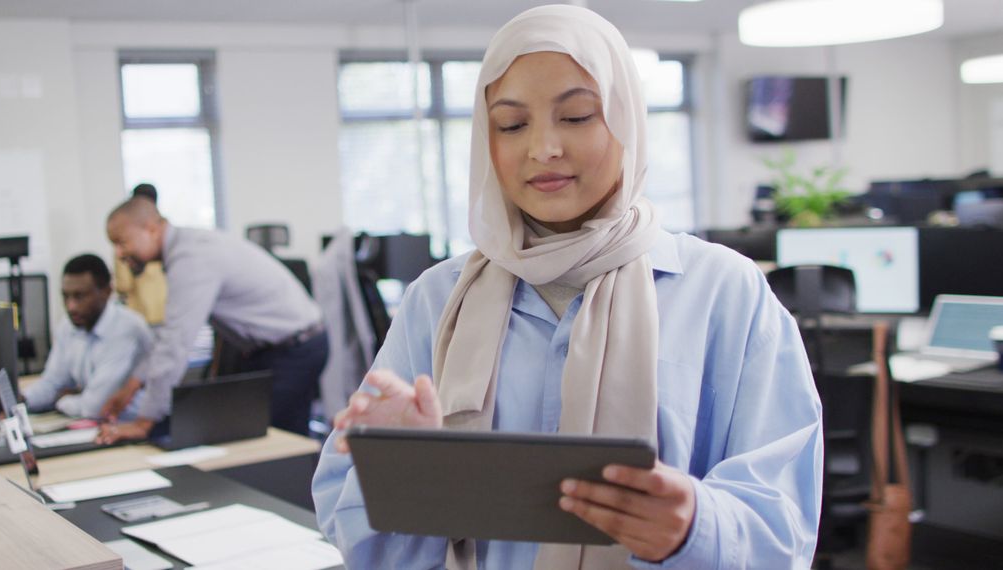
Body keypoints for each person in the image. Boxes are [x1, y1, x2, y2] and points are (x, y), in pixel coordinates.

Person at [312, 5, 822, 569]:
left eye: (577, 116)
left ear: (626, 119)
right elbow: (355, 534)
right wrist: (394, 473)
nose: (543, 149)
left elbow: (784, 523)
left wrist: (695, 528)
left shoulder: (724, 292)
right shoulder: (437, 298)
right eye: (511, 125)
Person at [98, 197, 328, 442]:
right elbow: (169, 335)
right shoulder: (185, 247)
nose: (119, 254)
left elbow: (174, 344)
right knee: (256, 440)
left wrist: (144, 422)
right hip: (275, 349)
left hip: (295, 350)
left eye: (122, 243)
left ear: (151, 229)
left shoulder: (191, 258)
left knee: (274, 444)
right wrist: (131, 387)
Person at [20, 254, 151, 419]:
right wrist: (22, 401)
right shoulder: (69, 325)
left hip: (133, 426)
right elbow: (52, 382)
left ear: (106, 291)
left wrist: (61, 400)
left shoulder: (125, 329)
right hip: (94, 425)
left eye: (79, 296)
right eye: (65, 296)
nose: (71, 307)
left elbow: (95, 407)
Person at [114, 183, 167, 325]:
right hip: (167, 311)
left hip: (139, 315)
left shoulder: (124, 236)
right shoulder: (165, 232)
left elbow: (123, 285)